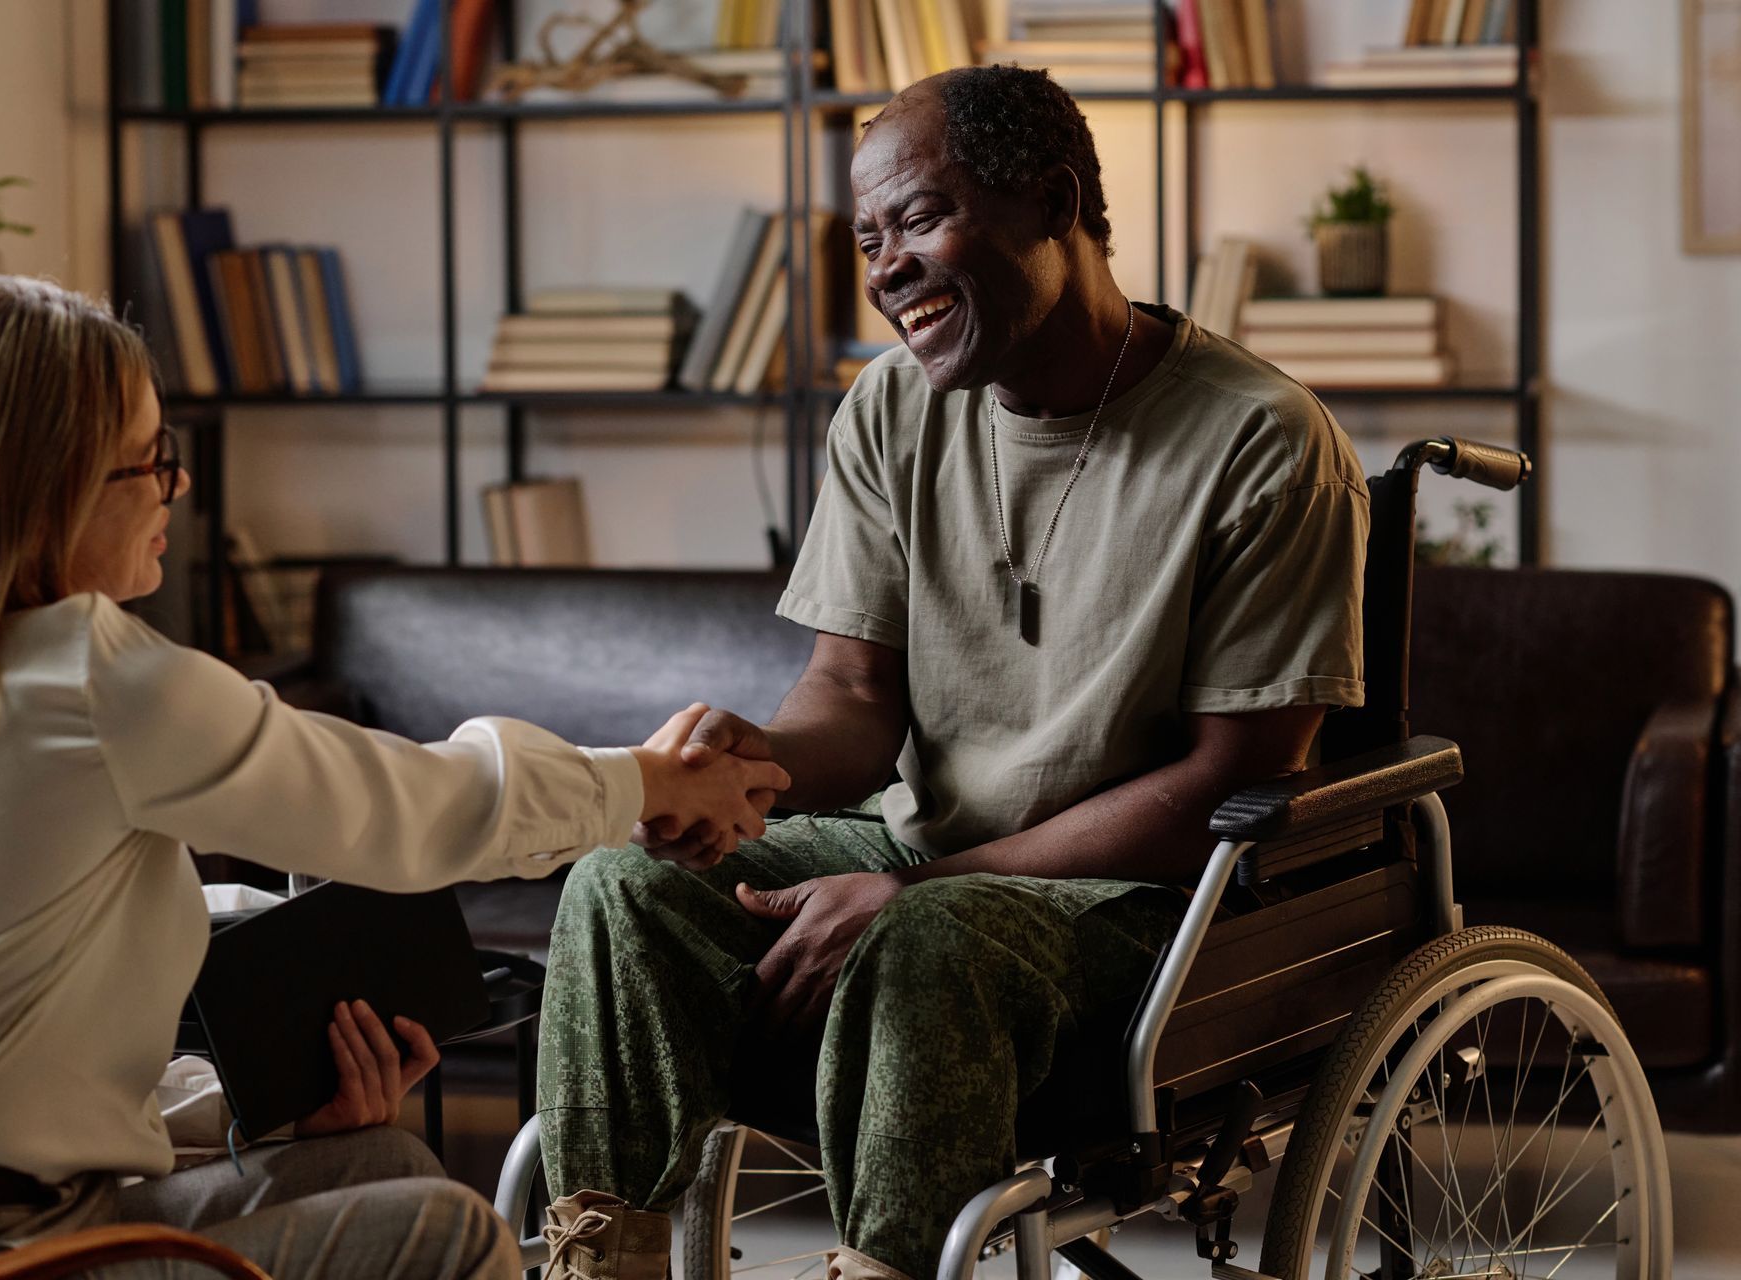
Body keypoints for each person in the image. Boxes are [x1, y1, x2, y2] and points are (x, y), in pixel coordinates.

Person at [535, 65, 1370, 1280]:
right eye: (869, 239)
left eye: (919, 220)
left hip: (1149, 905)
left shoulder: (1262, 438)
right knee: (623, 884)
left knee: (926, 939)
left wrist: (930, 886)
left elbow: (1221, 788)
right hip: (922, 849)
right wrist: (747, 761)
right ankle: (602, 1262)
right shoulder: (888, 410)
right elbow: (855, 701)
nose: (885, 270)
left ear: (1054, 202)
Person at [0, 274, 789, 1279]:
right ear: (51, 484)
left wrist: (263, 1097)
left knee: (372, 1156)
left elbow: (4, 999)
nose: (180, 485)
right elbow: (411, 804)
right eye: (154, 459)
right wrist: (645, 781)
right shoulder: (90, 676)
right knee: (448, 1234)